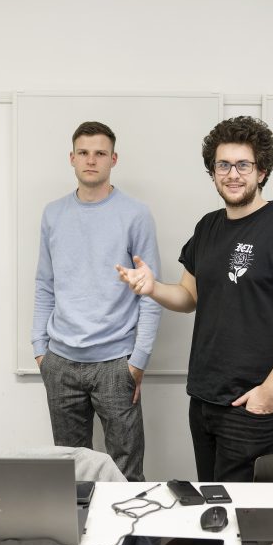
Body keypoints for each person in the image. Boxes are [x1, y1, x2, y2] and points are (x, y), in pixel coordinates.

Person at [117, 116, 273, 484]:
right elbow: (188, 297)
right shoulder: (208, 227)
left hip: (254, 401)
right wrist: (153, 288)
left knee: (241, 509)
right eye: (223, 165)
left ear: (262, 170)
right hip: (205, 398)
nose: (232, 174)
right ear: (212, 171)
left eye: (243, 165)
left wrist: (269, 392)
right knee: (214, 499)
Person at [32, 121, 161, 482]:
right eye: (84, 153)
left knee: (126, 475)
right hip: (60, 362)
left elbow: (150, 291)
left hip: (116, 363)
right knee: (70, 479)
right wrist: (40, 349)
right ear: (72, 158)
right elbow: (44, 284)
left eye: (100, 153)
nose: (91, 160)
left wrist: (138, 361)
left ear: (113, 159)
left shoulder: (135, 214)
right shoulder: (53, 214)